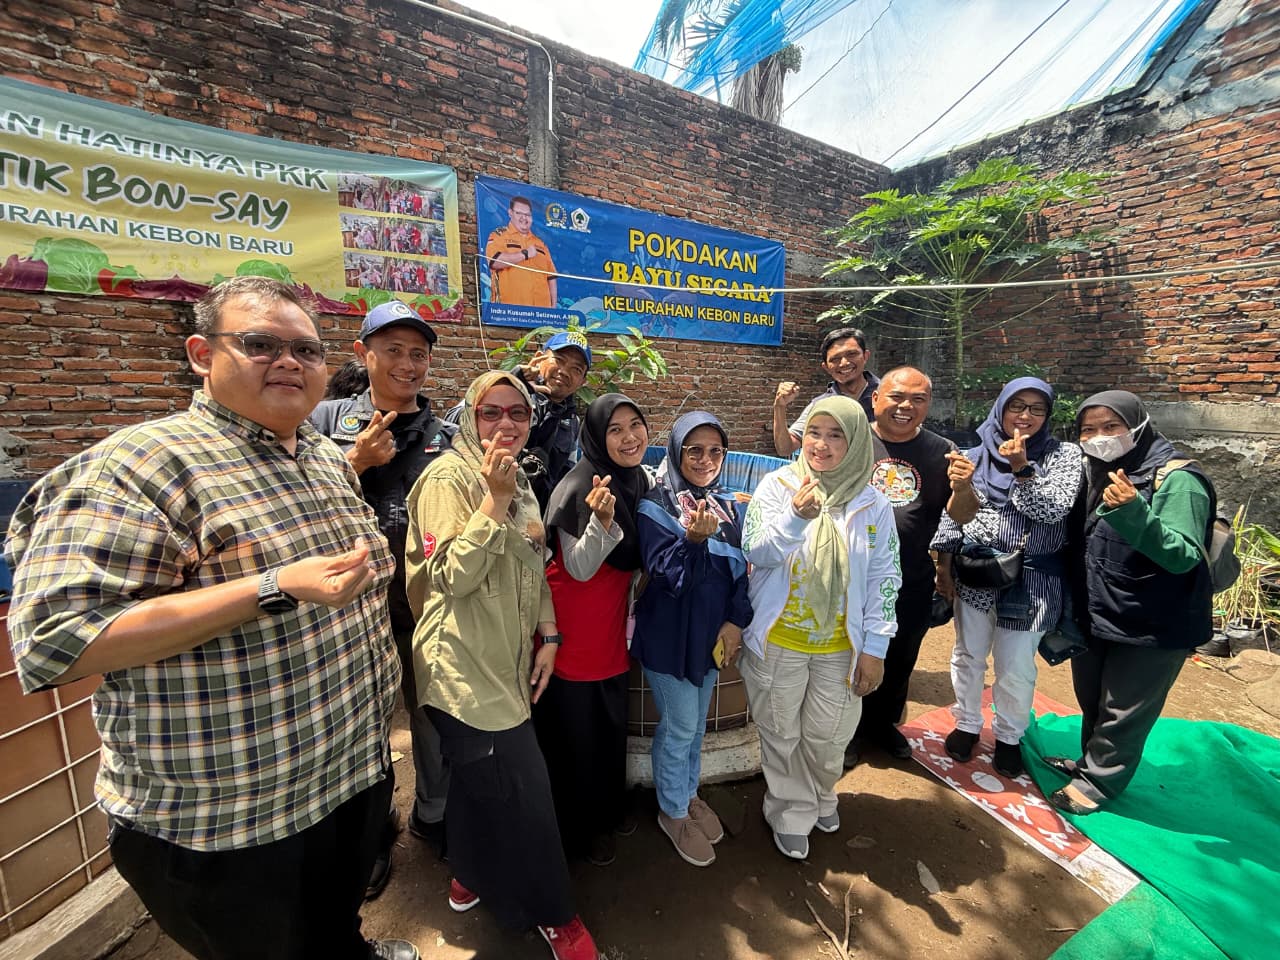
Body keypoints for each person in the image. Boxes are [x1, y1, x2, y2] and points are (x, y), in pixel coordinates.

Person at [4, 276, 418, 960]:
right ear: (202, 354)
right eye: (261, 344)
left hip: (346, 776)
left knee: (333, 926)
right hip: (230, 822)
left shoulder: (322, 457)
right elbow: (55, 641)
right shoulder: (141, 467)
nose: (289, 362)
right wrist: (268, 587)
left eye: (306, 350)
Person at [404, 370, 598, 960]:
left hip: (508, 660)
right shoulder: (449, 479)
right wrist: (493, 499)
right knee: (526, 795)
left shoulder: (521, 477)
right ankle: (555, 914)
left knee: (476, 778)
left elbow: (533, 563)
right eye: (492, 412)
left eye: (518, 412)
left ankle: (468, 873)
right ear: (469, 416)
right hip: (462, 669)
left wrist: (550, 634)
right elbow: (449, 578)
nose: (506, 423)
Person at [310, 299, 456, 895]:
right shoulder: (322, 420)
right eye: (393, 350)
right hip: (348, 611)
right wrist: (355, 461)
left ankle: (434, 815)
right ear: (362, 353)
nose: (407, 364)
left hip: (422, 608)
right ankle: (371, 835)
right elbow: (293, 505)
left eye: (418, 354)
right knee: (359, 728)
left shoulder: (445, 435)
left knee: (432, 718)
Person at [740, 396, 901, 860]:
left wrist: (875, 648)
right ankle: (791, 810)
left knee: (829, 737)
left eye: (836, 436)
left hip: (840, 646)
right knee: (781, 733)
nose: (821, 445)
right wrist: (795, 517)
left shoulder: (873, 502)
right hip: (779, 640)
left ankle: (820, 794)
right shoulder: (777, 486)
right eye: (814, 432)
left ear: (856, 443)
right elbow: (755, 550)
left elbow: (885, 576)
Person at [1044, 391, 1214, 815]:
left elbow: (1182, 555)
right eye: (1088, 430)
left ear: (1138, 426)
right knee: (1093, 697)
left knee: (1124, 709)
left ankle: (1098, 784)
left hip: (1154, 621)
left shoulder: (1178, 480)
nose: (1099, 437)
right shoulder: (1098, 471)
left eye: (1111, 427)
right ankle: (1089, 763)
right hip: (1101, 611)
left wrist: (1136, 511)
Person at [931, 377, 1083, 779]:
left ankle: (1009, 737)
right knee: (969, 654)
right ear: (1001, 408)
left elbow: (1052, 510)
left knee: (1015, 665)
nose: (1025, 416)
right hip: (977, 575)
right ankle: (967, 723)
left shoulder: (1064, 456)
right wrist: (943, 567)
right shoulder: (974, 454)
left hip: (1033, 581)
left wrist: (1021, 469)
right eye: (1017, 406)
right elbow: (953, 514)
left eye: (1037, 409)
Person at [632, 412, 753, 867]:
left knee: (696, 727)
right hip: (668, 636)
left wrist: (736, 621)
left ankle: (687, 794)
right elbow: (667, 577)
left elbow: (740, 574)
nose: (705, 460)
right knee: (680, 726)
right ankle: (673, 811)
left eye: (715, 451)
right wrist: (693, 541)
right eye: (694, 450)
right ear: (677, 452)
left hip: (708, 636)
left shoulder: (727, 506)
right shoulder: (655, 506)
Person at [844, 367, 980, 768]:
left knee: (901, 655)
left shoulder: (942, 451)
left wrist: (963, 487)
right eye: (897, 396)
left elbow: (963, 516)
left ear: (928, 404)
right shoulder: (851, 438)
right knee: (848, 653)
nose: (906, 406)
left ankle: (882, 724)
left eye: (918, 399)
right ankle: (848, 730)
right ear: (875, 399)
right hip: (850, 575)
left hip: (910, 575)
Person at [538, 394, 652, 867]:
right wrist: (602, 523)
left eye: (635, 425)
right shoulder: (577, 487)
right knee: (576, 735)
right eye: (615, 429)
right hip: (575, 628)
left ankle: (606, 812)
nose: (629, 437)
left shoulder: (637, 480)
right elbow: (580, 568)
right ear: (597, 437)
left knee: (608, 725)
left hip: (609, 626)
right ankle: (575, 833)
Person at [448, 330, 592, 510]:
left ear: (582, 381)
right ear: (539, 358)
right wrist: (512, 384)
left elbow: (566, 478)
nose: (564, 371)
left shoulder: (572, 422)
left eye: (576, 369)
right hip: (483, 505)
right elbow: (452, 423)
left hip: (533, 516)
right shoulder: (503, 392)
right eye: (559, 360)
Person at [772, 327, 879, 457]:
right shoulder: (821, 405)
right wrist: (780, 406)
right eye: (835, 359)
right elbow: (785, 449)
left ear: (865, 356)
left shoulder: (889, 396)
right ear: (826, 367)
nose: (844, 363)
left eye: (851, 354)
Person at [486, 195, 559, 307]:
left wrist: (553, 308)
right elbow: (494, 262)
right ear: (510, 213)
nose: (524, 218)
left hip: (541, 313)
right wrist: (524, 254)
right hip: (509, 311)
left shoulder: (540, 244)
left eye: (527, 215)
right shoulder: (499, 235)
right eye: (519, 213)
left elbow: (551, 278)